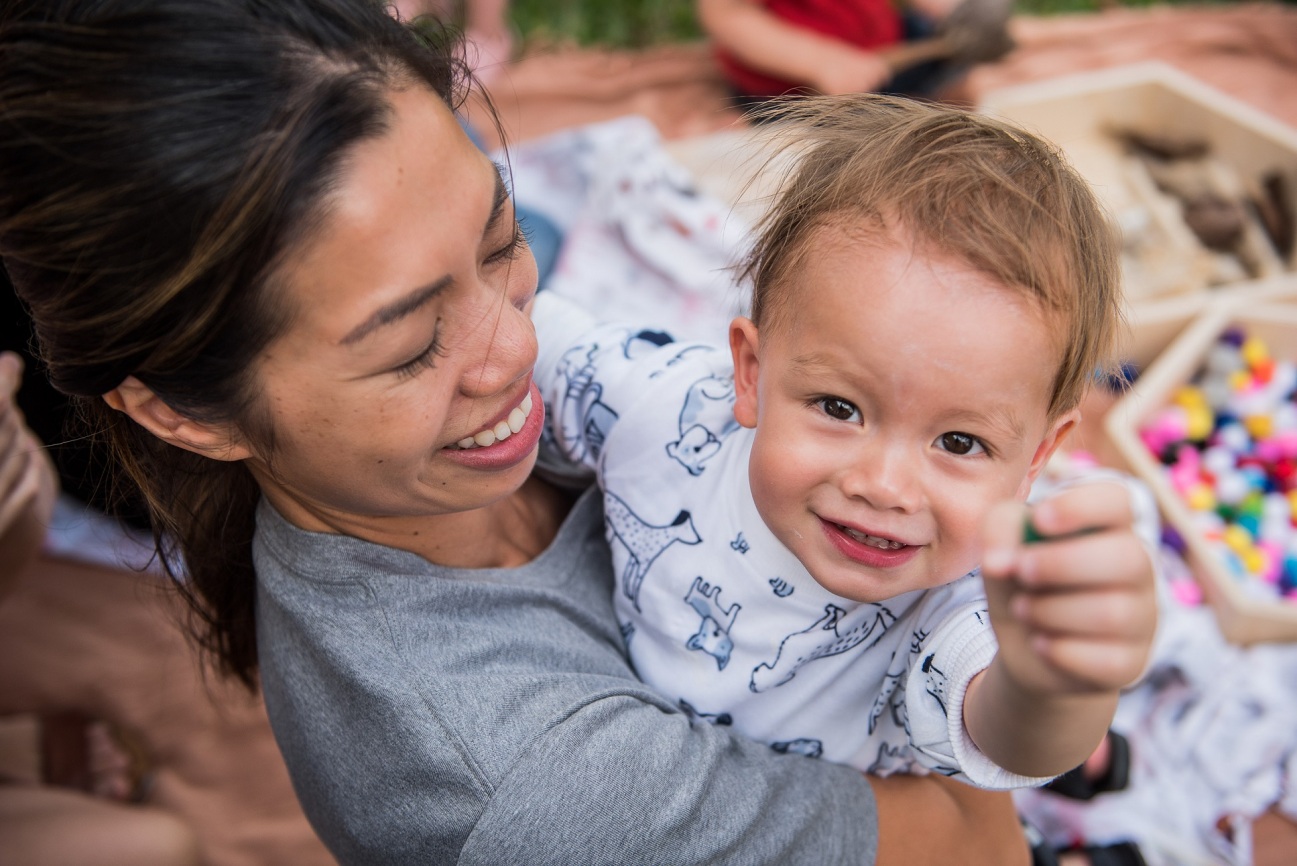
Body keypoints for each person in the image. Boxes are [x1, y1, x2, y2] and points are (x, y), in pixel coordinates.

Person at [0, 0, 1147, 862]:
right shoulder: (522, 779)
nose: (514, 350)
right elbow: (976, 840)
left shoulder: (517, 419)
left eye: (499, 241)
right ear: (185, 412)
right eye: (409, 345)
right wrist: (1024, 692)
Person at [532, 94, 1158, 791]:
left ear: (1037, 458)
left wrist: (1056, 685)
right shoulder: (666, 407)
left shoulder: (963, 592)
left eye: (957, 441)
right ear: (751, 374)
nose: (883, 486)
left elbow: (1010, 732)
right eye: (839, 407)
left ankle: (1098, 755)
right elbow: (527, 337)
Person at [696, 0, 996, 106]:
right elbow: (727, 13)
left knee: (959, 86)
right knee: (856, 158)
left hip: (882, 43)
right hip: (795, 82)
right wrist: (821, 61)